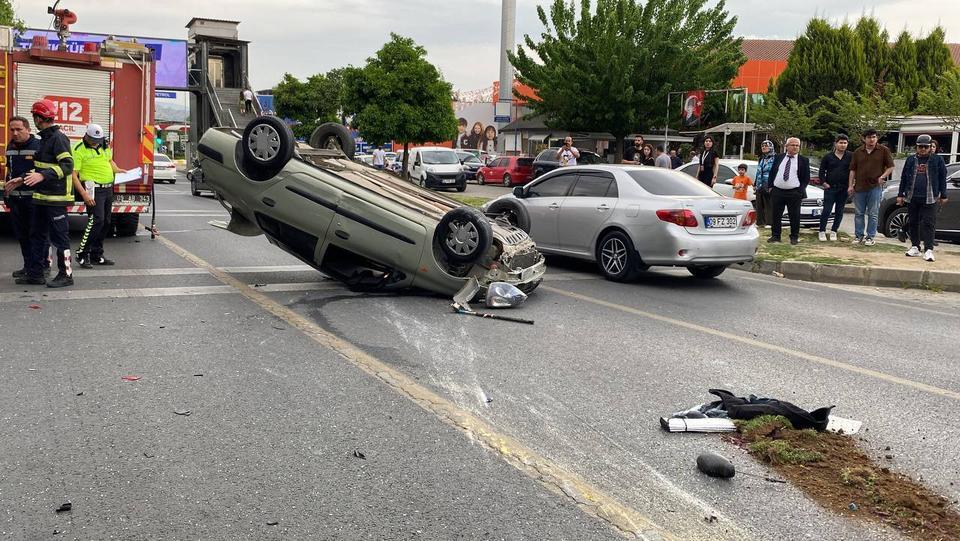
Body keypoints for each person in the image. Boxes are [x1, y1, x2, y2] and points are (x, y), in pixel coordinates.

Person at [17, 100, 75, 287]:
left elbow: (67, 166)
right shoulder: (45, 139)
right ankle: (36, 274)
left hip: (56, 199)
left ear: (39, 118)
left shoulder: (58, 138)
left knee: (60, 238)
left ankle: (66, 275)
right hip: (41, 198)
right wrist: (21, 179)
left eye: (35, 116)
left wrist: (43, 176)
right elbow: (40, 168)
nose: (34, 119)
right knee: (38, 236)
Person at [3, 116, 49, 279]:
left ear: (28, 130)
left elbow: (40, 171)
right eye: (12, 129)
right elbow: (9, 171)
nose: (15, 133)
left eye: (19, 129)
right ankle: (28, 266)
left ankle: (42, 266)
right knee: (22, 235)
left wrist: (21, 178)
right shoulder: (10, 147)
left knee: (37, 235)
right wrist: (6, 192)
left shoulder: (38, 146)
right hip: (16, 199)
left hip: (34, 200)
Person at [73, 124, 124, 268]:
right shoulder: (78, 149)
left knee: (107, 221)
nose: (96, 142)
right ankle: (82, 253)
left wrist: (118, 169)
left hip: (108, 188)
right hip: (93, 188)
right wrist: (83, 194)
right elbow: (74, 175)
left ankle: (97, 254)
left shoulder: (104, 144)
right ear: (87, 136)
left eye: (99, 139)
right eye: (93, 139)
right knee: (96, 221)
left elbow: (109, 161)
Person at [898, 134, 948, 262]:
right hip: (912, 196)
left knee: (929, 223)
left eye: (926, 147)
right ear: (917, 147)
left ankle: (929, 250)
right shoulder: (911, 159)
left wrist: (943, 194)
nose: (923, 149)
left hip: (930, 196)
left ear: (931, 147)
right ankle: (915, 246)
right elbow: (904, 177)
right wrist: (900, 194)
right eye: (920, 147)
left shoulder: (937, 160)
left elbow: (943, 177)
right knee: (913, 222)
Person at [848, 129, 894, 246]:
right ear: (864, 139)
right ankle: (858, 235)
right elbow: (853, 170)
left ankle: (870, 236)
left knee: (873, 213)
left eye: (874, 137)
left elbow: (890, 167)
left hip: (875, 186)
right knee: (859, 213)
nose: (871, 139)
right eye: (869, 137)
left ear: (877, 138)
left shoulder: (883, 150)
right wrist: (850, 185)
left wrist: (883, 176)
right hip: (859, 187)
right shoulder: (858, 152)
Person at [765, 137, 810, 245]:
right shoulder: (779, 157)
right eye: (793, 145)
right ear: (786, 146)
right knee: (776, 215)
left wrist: (800, 190)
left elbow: (806, 178)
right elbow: (772, 172)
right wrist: (771, 187)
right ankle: (776, 235)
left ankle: (794, 237)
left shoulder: (803, 160)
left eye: (797, 145)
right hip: (778, 191)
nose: (795, 147)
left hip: (794, 192)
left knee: (794, 216)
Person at [816, 134, 852, 241]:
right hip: (830, 188)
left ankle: (834, 231)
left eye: (845, 143)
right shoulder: (828, 157)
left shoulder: (851, 156)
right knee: (826, 210)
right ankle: (822, 231)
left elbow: (854, 170)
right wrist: (824, 183)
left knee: (839, 211)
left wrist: (851, 185)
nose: (843, 145)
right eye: (840, 143)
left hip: (844, 188)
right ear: (835, 144)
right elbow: (821, 171)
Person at [754, 140, 776, 228]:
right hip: (760, 184)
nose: (763, 148)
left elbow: (775, 171)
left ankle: (770, 222)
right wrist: (755, 183)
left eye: (766, 146)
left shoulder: (775, 158)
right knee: (759, 204)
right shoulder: (761, 158)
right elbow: (758, 171)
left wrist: (773, 184)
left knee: (769, 204)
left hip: (769, 184)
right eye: (762, 146)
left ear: (771, 147)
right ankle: (760, 222)